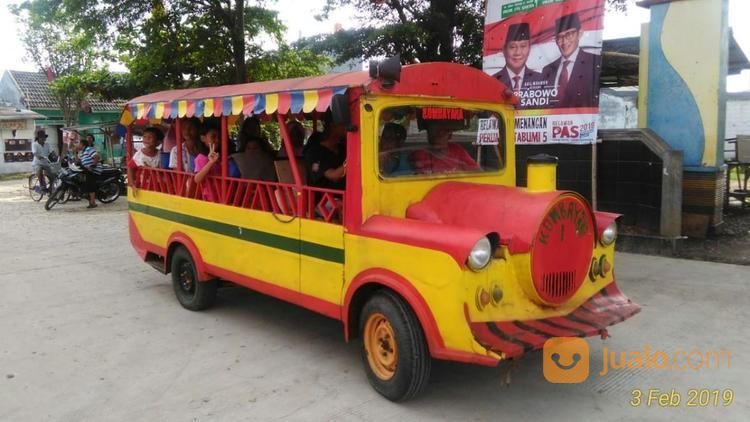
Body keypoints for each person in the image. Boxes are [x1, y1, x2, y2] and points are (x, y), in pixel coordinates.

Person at [541, 12, 602, 108]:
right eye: (560, 37)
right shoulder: (547, 70)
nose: (564, 41)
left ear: (580, 33)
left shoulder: (594, 63)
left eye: (569, 34)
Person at [193, 122, 240, 202]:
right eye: (213, 137)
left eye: (219, 137)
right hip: (210, 198)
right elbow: (197, 179)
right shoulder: (201, 158)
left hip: (223, 195)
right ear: (203, 138)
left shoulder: (221, 156)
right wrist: (210, 163)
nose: (217, 140)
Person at [493, 22, 543, 95]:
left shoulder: (541, 79)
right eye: (512, 47)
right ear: (504, 50)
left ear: (529, 49)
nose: (518, 52)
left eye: (523, 46)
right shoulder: (493, 81)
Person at [410, 123, 479, 174]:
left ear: (449, 136)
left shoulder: (457, 149)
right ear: (428, 135)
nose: (436, 137)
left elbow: (477, 171)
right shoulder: (419, 154)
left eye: (441, 133)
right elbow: (416, 176)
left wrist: (459, 173)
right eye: (432, 132)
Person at [304, 120, 346, 190]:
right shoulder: (314, 152)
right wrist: (352, 158)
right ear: (333, 126)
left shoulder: (341, 148)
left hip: (346, 194)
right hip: (326, 198)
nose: (347, 126)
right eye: (343, 124)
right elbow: (334, 176)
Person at [127, 127, 164, 194]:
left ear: (158, 142)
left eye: (150, 137)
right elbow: (130, 167)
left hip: (159, 188)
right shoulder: (139, 155)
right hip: (143, 188)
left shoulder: (161, 154)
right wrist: (132, 183)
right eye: (144, 137)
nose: (147, 139)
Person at [77, 134, 101, 208]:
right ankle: (90, 200)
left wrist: (92, 165)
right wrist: (75, 153)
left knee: (90, 184)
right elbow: (78, 161)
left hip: (93, 170)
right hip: (86, 169)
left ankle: (93, 202)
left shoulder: (89, 149)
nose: (78, 145)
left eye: (79, 144)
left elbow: (97, 157)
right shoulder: (83, 153)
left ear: (82, 144)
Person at [31, 128, 53, 192]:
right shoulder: (34, 144)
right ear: (38, 138)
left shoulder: (47, 144)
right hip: (37, 163)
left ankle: (50, 189)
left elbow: (51, 152)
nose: (44, 139)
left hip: (46, 162)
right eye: (42, 137)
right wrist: (39, 156)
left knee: (52, 175)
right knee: (39, 170)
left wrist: (56, 157)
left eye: (44, 137)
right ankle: (41, 186)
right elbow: (35, 153)